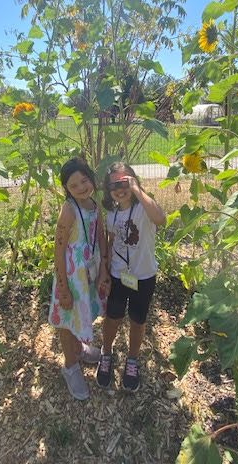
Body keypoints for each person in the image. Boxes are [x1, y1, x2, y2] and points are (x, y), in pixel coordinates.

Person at [96, 162, 166, 392]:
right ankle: (106, 353)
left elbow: (160, 219)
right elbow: (110, 241)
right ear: (109, 190)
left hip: (143, 275)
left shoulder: (144, 208)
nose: (120, 188)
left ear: (133, 181)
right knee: (112, 317)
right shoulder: (112, 214)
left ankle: (132, 360)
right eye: (114, 184)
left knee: (138, 320)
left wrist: (137, 190)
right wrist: (104, 270)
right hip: (119, 275)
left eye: (125, 182)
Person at [48, 157, 110, 400]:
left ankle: (79, 348)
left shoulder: (94, 205)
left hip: (89, 273)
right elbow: (59, 249)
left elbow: (101, 236)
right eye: (74, 186)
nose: (82, 188)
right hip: (72, 277)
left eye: (84, 181)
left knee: (80, 315)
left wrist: (104, 269)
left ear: (91, 179)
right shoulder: (69, 210)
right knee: (67, 318)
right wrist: (63, 288)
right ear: (67, 189)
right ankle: (70, 366)